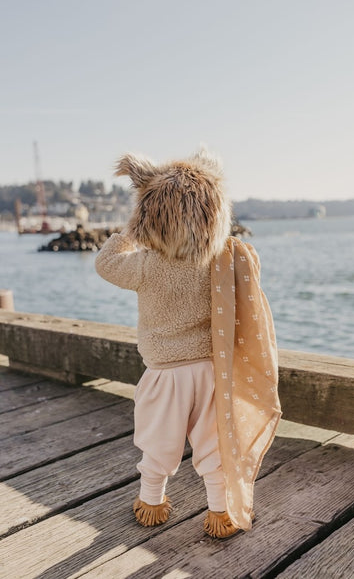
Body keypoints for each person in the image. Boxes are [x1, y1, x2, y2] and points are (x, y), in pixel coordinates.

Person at [95, 148, 281, 538]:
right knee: (214, 445)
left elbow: (105, 263)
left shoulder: (145, 265)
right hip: (211, 371)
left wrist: (130, 233)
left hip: (165, 373)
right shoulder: (220, 261)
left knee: (158, 443)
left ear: (149, 214)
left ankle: (151, 501)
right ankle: (219, 513)